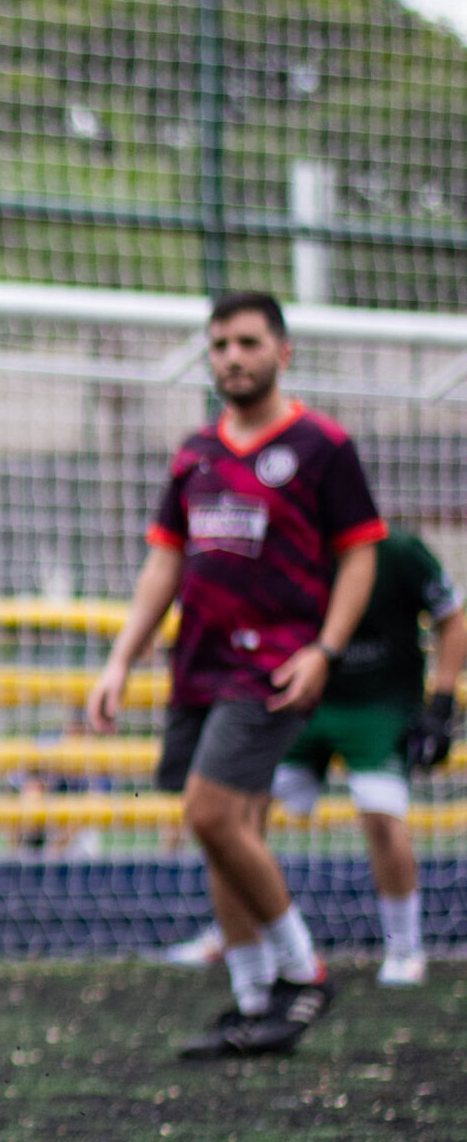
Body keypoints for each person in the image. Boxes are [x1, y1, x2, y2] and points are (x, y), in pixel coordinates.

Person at [86, 289, 382, 1059]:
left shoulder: (322, 445)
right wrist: (121, 658)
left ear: (283, 351)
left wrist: (325, 649)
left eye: (248, 342)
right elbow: (165, 560)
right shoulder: (196, 451)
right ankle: (254, 1001)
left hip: (274, 665)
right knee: (224, 829)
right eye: (220, 345)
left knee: (212, 813)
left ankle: (304, 972)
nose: (232, 358)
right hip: (200, 666)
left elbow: (360, 554)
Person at [266, 525, 461, 987]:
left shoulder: (401, 552)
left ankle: (404, 947)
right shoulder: (291, 547)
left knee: (381, 813)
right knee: (235, 809)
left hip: (382, 707)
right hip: (307, 700)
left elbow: (452, 619)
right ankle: (240, 930)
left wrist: (442, 704)